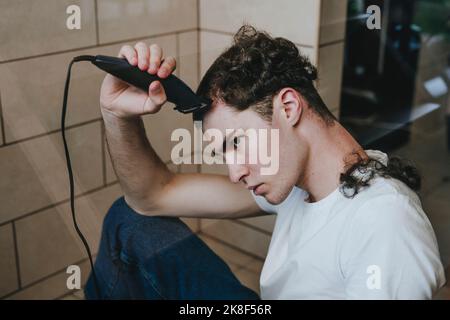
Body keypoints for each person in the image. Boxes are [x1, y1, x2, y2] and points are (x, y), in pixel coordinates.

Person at [85, 25, 446, 299]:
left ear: (288, 107)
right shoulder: (305, 181)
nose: (235, 172)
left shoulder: (385, 222)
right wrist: (117, 116)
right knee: (128, 221)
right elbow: (151, 196)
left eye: (238, 143)